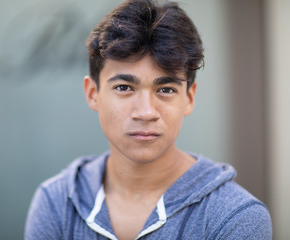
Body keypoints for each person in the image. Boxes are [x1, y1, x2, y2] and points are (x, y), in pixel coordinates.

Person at [25, 0, 272, 239]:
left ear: (188, 98)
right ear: (93, 94)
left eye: (165, 90)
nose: (145, 112)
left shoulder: (234, 216)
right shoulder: (57, 203)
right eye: (124, 87)